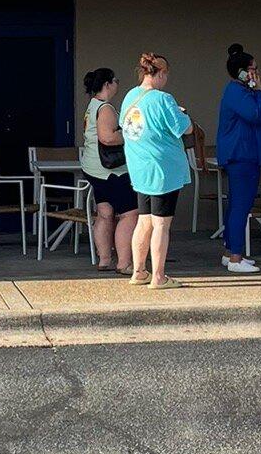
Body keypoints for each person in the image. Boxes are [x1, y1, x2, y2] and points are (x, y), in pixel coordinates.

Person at [120, 52, 194, 289]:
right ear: (160, 73)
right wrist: (182, 112)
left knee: (144, 221)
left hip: (140, 169)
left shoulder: (130, 97)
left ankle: (139, 271)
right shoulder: (164, 99)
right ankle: (159, 276)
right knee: (162, 224)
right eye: (166, 75)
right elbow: (187, 129)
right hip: (164, 170)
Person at [216, 44, 261, 273]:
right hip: (242, 155)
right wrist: (259, 91)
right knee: (241, 205)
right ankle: (236, 257)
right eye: (253, 69)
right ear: (242, 71)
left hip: (244, 154)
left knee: (237, 205)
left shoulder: (238, 91)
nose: (256, 74)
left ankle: (230, 252)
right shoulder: (238, 92)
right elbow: (255, 115)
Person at [80, 66, 140, 273]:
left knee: (104, 212)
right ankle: (124, 263)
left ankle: (104, 259)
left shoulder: (92, 106)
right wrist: (131, 134)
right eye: (115, 80)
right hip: (111, 170)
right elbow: (107, 137)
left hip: (92, 167)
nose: (117, 84)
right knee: (129, 214)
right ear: (107, 84)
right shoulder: (106, 108)